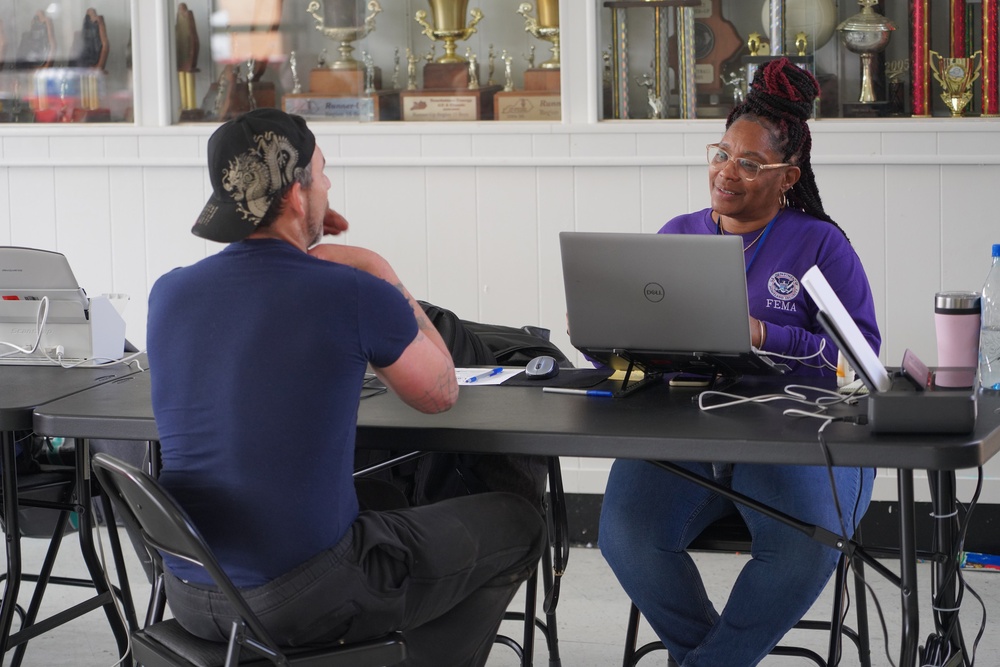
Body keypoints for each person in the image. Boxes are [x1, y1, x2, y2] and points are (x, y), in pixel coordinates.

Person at [146, 108, 544, 667]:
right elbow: (439, 391)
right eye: (323, 172)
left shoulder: (170, 292)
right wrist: (379, 270)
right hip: (298, 597)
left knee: (387, 501)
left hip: (190, 591)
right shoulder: (351, 289)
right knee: (518, 521)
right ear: (295, 190)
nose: (329, 186)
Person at [598, 58, 879, 667]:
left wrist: (760, 332)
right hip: (688, 431)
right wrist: (615, 338)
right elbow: (654, 353)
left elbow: (858, 360)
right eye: (722, 153)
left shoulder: (820, 244)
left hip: (796, 436)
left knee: (806, 547)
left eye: (750, 163)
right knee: (626, 536)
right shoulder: (678, 234)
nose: (726, 172)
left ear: (788, 176)